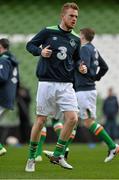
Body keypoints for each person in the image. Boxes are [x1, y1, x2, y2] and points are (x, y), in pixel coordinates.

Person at [25, 2, 81, 172]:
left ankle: (57, 155)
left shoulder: (76, 39)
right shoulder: (48, 31)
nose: (74, 19)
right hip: (47, 83)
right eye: (71, 16)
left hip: (66, 85)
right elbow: (30, 45)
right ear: (62, 16)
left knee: (73, 118)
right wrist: (40, 52)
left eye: (76, 17)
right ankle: (31, 158)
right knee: (41, 120)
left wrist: (81, 65)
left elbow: (77, 58)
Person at [74, 28, 119, 163]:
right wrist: (96, 77)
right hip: (88, 89)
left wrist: (81, 68)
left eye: (79, 34)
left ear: (82, 36)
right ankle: (61, 152)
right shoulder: (93, 49)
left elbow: (84, 66)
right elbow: (104, 67)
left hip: (84, 90)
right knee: (72, 119)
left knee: (86, 121)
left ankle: (112, 146)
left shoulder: (85, 49)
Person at [0, 38, 19, 156]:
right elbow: (18, 81)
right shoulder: (12, 60)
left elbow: (2, 77)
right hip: (9, 97)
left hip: (2, 97)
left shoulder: (3, 60)